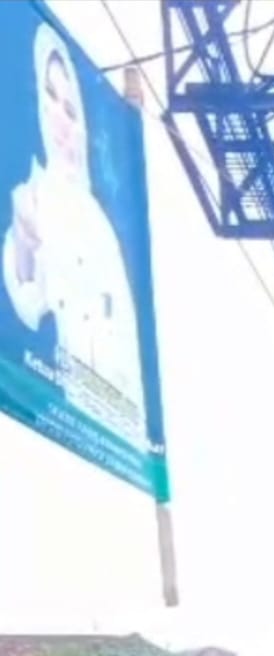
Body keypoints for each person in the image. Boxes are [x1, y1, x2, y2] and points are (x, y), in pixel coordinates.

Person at [2, 22, 146, 449]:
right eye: (50, 99)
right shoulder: (35, 195)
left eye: (70, 108)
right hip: (76, 415)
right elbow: (29, 304)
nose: (61, 120)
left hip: (125, 430)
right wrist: (24, 242)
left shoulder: (104, 217)